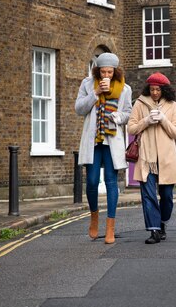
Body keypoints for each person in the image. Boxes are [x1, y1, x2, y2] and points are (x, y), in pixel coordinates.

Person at [75, 52, 132, 244]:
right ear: (97, 71)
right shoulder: (87, 84)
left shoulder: (125, 89)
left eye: (110, 72)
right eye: (103, 72)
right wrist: (96, 93)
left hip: (111, 140)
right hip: (93, 141)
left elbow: (128, 114)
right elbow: (79, 109)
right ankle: (94, 218)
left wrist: (116, 117)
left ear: (115, 71)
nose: (106, 75)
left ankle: (110, 228)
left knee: (110, 182)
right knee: (91, 182)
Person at [128, 72, 176, 244]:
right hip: (147, 158)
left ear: (164, 90)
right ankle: (154, 231)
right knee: (148, 196)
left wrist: (163, 119)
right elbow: (131, 128)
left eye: (158, 90)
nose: (154, 93)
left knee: (166, 196)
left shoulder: (172, 105)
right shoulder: (140, 102)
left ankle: (163, 223)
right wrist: (146, 121)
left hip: (167, 159)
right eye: (152, 89)